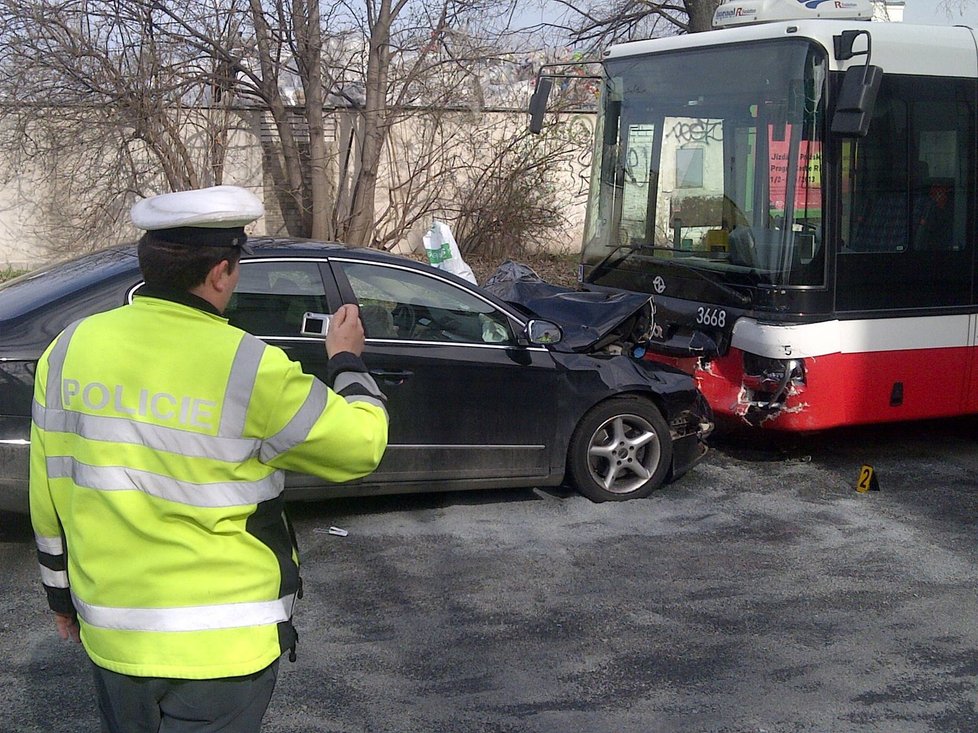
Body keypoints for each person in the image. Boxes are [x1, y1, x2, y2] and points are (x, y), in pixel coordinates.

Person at [29, 185, 389, 732]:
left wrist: (60, 598)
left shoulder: (69, 348)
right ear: (221, 272)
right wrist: (346, 363)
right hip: (224, 646)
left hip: (115, 631)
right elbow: (361, 447)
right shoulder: (251, 367)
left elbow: (48, 491)